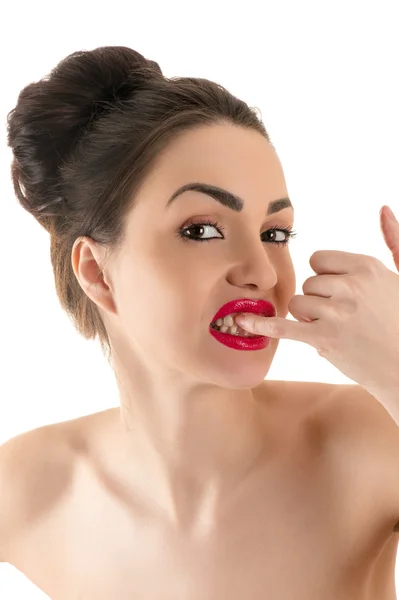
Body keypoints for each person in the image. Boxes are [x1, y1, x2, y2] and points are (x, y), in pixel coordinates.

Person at [1, 45, 399, 599]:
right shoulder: (23, 491)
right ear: (97, 270)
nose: (262, 270)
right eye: (203, 230)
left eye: (274, 233)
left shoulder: (372, 441)